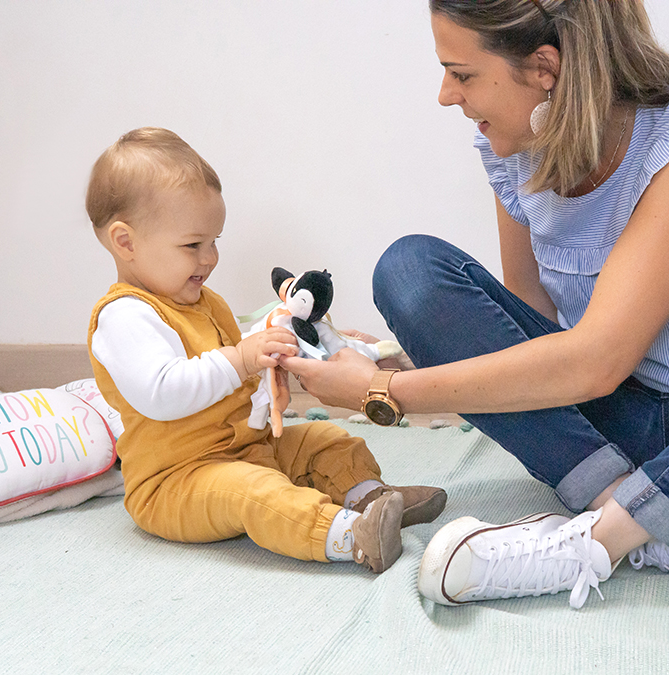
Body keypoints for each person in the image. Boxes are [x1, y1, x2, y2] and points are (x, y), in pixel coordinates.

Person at [281, 0, 669, 608]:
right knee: (410, 271)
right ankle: (632, 502)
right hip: (617, 414)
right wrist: (393, 368)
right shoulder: (516, 144)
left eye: (461, 74)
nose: (444, 95)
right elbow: (529, 325)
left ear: (544, 67)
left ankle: (601, 540)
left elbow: (595, 361)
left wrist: (381, 393)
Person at [84, 127, 447, 575]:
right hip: (178, 479)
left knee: (326, 440)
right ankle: (350, 535)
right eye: (193, 245)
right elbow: (164, 392)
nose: (210, 257)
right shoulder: (123, 317)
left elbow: (232, 366)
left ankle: (370, 498)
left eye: (215, 240)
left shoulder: (202, 301)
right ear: (126, 242)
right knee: (255, 492)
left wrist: (278, 349)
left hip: (248, 445)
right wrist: (240, 360)